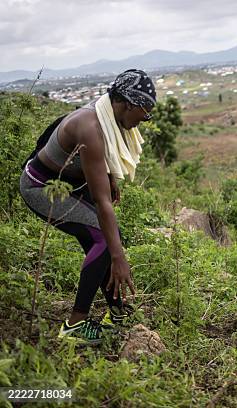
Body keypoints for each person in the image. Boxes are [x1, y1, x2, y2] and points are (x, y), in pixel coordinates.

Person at [19, 69, 156, 344]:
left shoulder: (106, 115)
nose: (146, 118)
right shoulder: (91, 128)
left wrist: (107, 178)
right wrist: (119, 258)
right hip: (41, 188)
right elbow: (102, 202)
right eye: (145, 110)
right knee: (106, 242)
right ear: (127, 103)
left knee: (109, 238)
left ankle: (117, 313)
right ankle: (75, 325)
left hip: (70, 184)